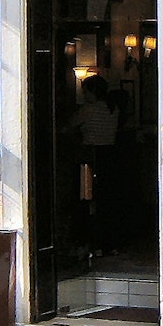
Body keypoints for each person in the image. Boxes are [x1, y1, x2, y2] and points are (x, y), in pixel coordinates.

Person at [68, 75, 120, 256]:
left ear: (91, 92)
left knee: (88, 200)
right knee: (108, 200)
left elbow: (70, 125)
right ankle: (110, 243)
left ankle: (91, 243)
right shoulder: (113, 108)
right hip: (110, 155)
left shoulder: (88, 110)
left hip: (90, 156)